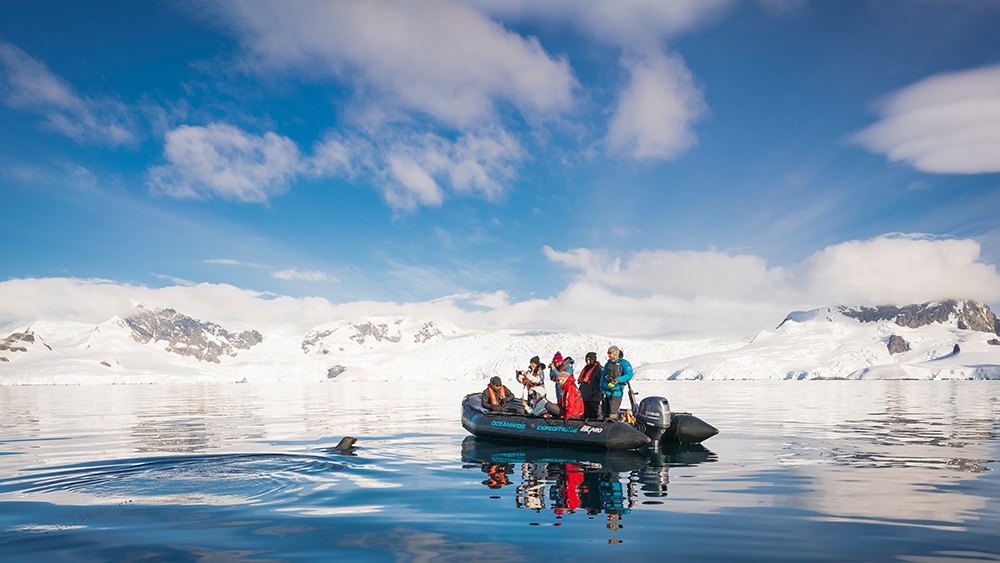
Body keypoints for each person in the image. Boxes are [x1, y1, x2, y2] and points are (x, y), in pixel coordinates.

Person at [601, 345, 633, 420]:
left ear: (615, 354)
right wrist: (601, 386)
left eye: (610, 353)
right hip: (606, 392)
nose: (608, 355)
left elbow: (629, 375)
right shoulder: (608, 363)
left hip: (616, 393)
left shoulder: (624, 363)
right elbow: (603, 374)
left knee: (613, 413)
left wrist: (617, 380)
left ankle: (612, 426)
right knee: (604, 412)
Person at [577, 352, 603, 419]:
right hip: (585, 395)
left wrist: (595, 391)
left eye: (588, 359)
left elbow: (601, 381)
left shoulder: (598, 369)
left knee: (595, 413)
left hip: (593, 396)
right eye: (586, 359)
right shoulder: (586, 368)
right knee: (586, 413)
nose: (587, 361)